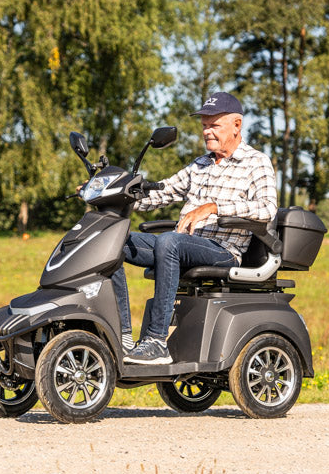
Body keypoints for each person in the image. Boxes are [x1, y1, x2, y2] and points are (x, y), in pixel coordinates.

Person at [111, 91, 277, 365]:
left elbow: (267, 209)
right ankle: (122, 335)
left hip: (224, 250)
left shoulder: (256, 163)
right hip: (183, 245)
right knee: (114, 241)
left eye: (214, 125)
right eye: (204, 126)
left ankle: (156, 342)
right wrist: (113, 194)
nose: (207, 132)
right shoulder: (199, 165)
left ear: (237, 125)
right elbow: (161, 193)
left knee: (169, 241)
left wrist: (214, 207)